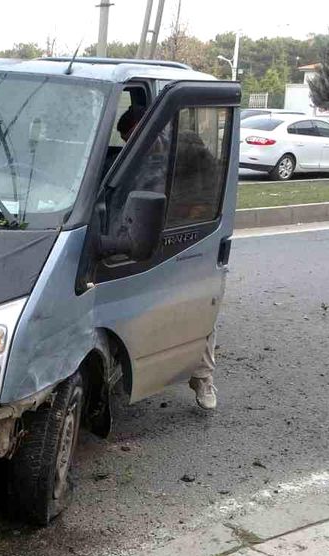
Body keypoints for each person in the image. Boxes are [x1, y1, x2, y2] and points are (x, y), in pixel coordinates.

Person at [115, 104, 220, 411]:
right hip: (140, 239)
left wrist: (180, 223)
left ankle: (202, 377)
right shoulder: (132, 161)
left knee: (197, 309)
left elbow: (207, 201)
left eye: (136, 137)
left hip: (182, 240)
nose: (132, 145)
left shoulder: (191, 154)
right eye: (127, 141)